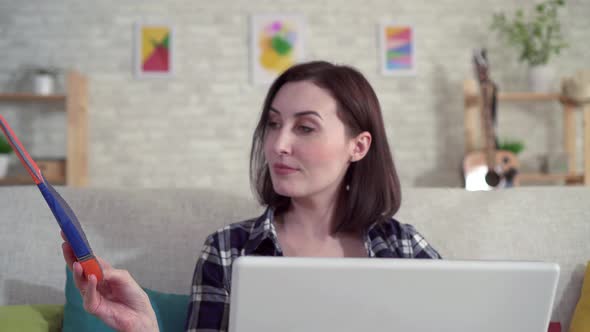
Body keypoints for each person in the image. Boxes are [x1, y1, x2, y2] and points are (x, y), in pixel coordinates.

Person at [61, 60, 441, 332]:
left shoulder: (407, 249)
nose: (278, 144)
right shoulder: (227, 250)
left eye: (305, 127)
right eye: (273, 124)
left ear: (358, 147)